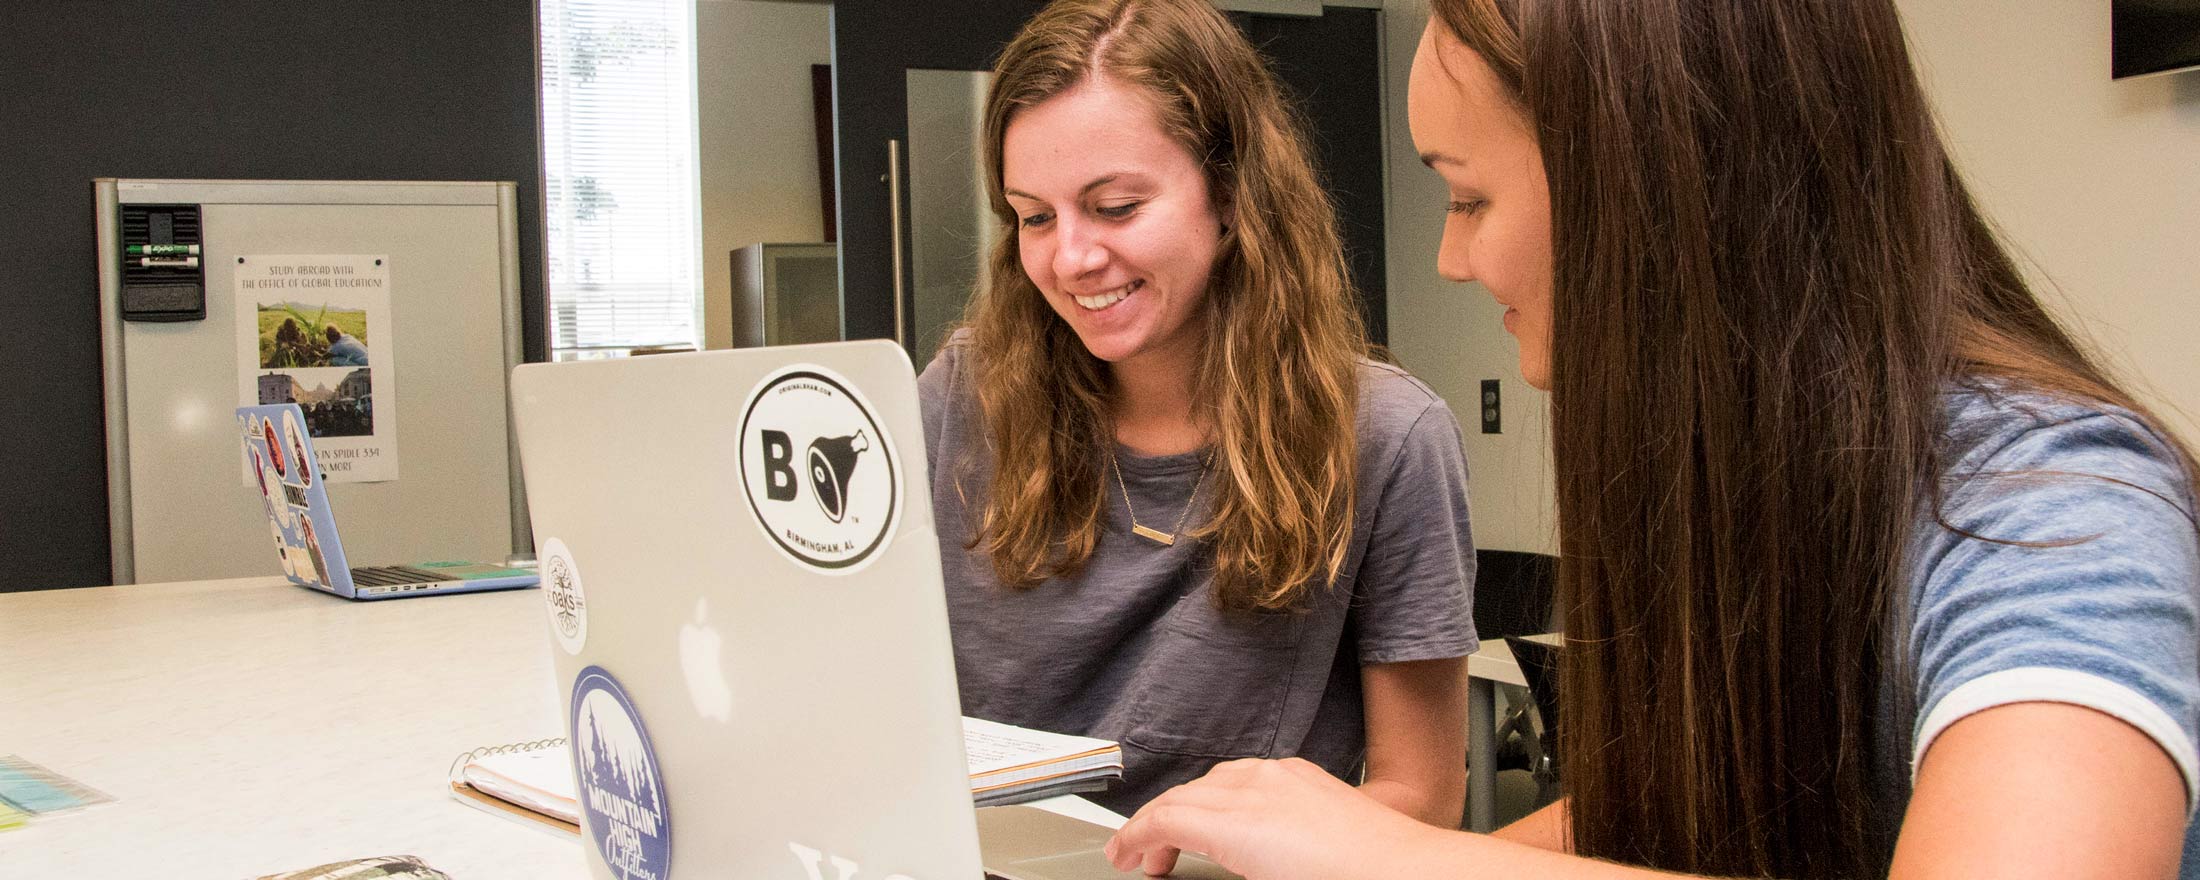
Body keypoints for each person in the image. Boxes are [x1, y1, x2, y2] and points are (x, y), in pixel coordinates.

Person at [1104, 0, 2200, 878]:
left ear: (1646, 186)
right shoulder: (1751, 484)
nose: (1450, 257)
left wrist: (1398, 858)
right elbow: (1679, 820)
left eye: (1469, 196)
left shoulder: (2057, 506)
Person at [918, 0, 1478, 823]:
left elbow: (1421, 797)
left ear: (1229, 194)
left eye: (1114, 207)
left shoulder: (1386, 439)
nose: (1071, 258)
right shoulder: (959, 398)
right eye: (1034, 217)